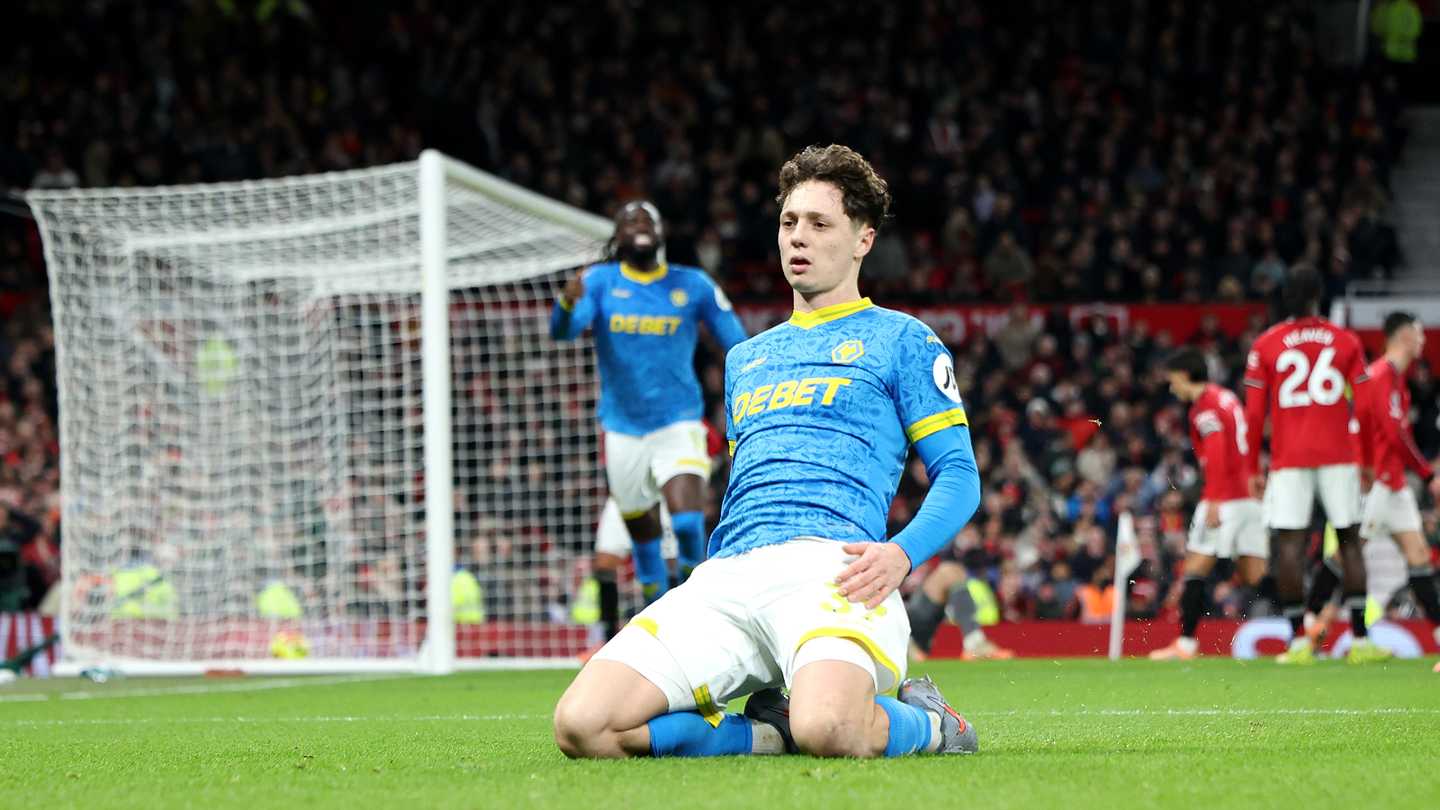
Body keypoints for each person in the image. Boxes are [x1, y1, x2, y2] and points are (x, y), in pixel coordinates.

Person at [553, 144, 982, 760]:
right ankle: (769, 730)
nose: (798, 238)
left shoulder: (903, 339)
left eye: (819, 223)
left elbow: (960, 474)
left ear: (863, 239)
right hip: (727, 577)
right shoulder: (745, 360)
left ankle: (932, 723)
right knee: (583, 725)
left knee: (830, 729)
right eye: (789, 222)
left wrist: (901, 555)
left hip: (835, 572)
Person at [551, 201, 748, 603]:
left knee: (689, 521)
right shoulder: (600, 280)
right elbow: (563, 333)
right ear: (618, 236)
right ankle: (655, 612)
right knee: (644, 536)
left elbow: (738, 342)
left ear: (660, 233)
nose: (639, 226)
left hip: (679, 421)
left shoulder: (692, 284)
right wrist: (566, 304)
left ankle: (696, 602)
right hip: (622, 429)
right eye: (630, 221)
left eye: (648, 221)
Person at [1242, 267, 1383, 664]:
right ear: (1320, 294)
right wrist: (1368, 459)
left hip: (1288, 458)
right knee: (1350, 541)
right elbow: (1367, 406)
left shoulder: (1266, 344)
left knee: (1289, 545)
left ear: (1285, 296)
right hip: (1338, 453)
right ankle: (1360, 641)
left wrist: (1254, 466)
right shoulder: (1345, 340)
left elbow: (1254, 415)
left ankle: (1297, 641)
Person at [1308, 313, 1440, 666]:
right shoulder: (1381, 374)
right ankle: (1306, 627)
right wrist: (1429, 475)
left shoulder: (1395, 377)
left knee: (1419, 557)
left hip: (1393, 484)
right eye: (1419, 334)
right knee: (1345, 557)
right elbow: (1394, 432)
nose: (1423, 341)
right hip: (1375, 481)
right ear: (1403, 337)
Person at [1150, 349, 1268, 660]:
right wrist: (1254, 472)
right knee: (1255, 575)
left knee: (1194, 569)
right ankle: (1305, 622)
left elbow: (1216, 449)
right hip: (1249, 498)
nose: (1172, 387)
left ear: (1186, 375)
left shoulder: (1204, 406)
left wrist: (1214, 497)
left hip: (1224, 497)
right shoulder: (1226, 397)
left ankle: (1186, 644)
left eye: (1173, 380)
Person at [907, 545, 1014, 661]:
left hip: (910, 626)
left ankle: (974, 642)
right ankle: (974, 642)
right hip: (898, 631)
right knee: (950, 572)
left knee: (952, 572)